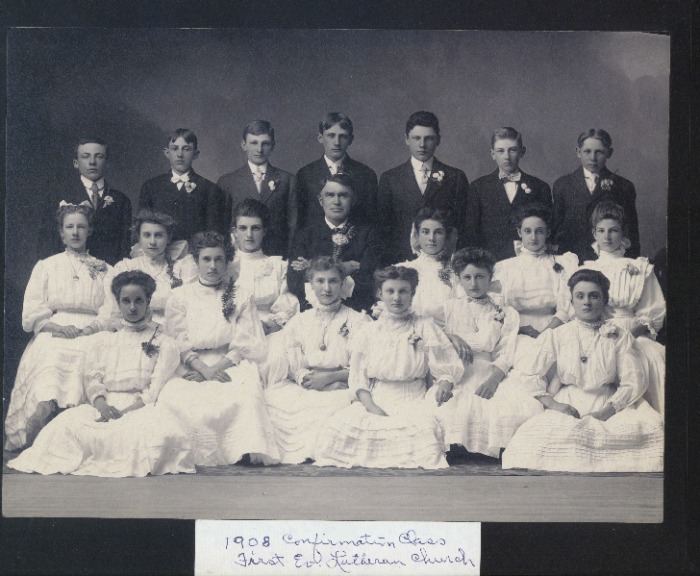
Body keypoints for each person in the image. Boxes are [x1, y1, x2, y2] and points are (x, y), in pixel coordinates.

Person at [8, 271, 195, 477]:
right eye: (126, 301)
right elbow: (93, 380)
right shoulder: (105, 341)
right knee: (66, 425)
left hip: (140, 406)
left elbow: (154, 390)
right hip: (105, 405)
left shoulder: (163, 341)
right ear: (118, 303)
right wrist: (102, 405)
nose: (132, 307)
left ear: (148, 301)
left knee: (148, 435)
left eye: (138, 300)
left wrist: (124, 414)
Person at [502, 269, 664, 472]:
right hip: (569, 401)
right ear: (572, 302)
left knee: (647, 430)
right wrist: (554, 405)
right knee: (545, 435)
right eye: (580, 296)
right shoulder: (557, 335)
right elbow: (529, 374)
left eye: (594, 296)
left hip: (609, 400)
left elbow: (633, 381)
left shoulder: (619, 336)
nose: (586, 302)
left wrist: (607, 411)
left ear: (604, 301)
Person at [313, 266, 464, 469]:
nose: (396, 298)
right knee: (337, 429)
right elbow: (358, 379)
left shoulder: (424, 326)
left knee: (422, 433)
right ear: (380, 294)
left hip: (413, 398)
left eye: (403, 291)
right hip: (377, 397)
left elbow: (446, 364)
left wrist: (445, 382)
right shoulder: (369, 331)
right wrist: (372, 407)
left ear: (412, 294)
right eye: (390, 291)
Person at [157, 231, 280, 466]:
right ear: (196, 260)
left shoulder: (241, 295)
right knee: (175, 397)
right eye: (206, 259)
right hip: (190, 363)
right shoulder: (180, 296)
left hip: (230, 361)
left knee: (244, 395)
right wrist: (202, 368)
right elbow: (177, 339)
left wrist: (217, 368)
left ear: (227, 261)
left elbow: (246, 340)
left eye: (218, 259)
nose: (212, 266)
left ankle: (239, 451)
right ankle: (185, 455)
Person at [5, 204, 111, 451]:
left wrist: (91, 328)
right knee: (52, 354)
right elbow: (33, 308)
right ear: (62, 233)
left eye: (81, 227)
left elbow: (111, 310)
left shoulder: (105, 268)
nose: (75, 232)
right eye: (69, 227)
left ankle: (72, 426)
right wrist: (55, 327)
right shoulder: (47, 266)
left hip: (93, 329)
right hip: (55, 326)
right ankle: (44, 408)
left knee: (89, 354)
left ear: (90, 230)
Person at [434, 248, 543, 458]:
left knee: (508, 408)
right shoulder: (449, 308)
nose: (473, 284)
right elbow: (425, 329)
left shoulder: (505, 312)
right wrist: (452, 338)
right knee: (448, 407)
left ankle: (483, 453)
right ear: (459, 279)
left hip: (489, 371)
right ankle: (457, 450)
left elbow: (507, 350)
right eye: (467, 277)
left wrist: (494, 380)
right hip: (457, 372)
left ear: (490, 277)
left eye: (479, 277)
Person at [264, 256, 371, 464]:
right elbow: (294, 361)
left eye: (333, 281)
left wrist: (331, 378)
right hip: (308, 384)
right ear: (311, 284)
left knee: (329, 414)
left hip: (343, 384)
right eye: (320, 281)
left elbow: (363, 364)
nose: (327, 288)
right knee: (273, 404)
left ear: (342, 284)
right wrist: (306, 378)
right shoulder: (300, 321)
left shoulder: (358, 320)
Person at [582, 201, 666, 416]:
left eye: (613, 230)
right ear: (594, 233)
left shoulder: (638, 268)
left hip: (634, 332)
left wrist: (628, 335)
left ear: (623, 233)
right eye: (601, 231)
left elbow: (652, 311)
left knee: (652, 358)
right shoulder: (587, 268)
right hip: (598, 332)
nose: (607, 237)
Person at [490, 203, 578, 368]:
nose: (533, 237)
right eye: (527, 231)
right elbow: (498, 308)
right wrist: (520, 329)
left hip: (553, 329)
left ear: (547, 233)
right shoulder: (505, 267)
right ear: (519, 233)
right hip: (514, 331)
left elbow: (566, 308)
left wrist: (544, 335)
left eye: (539, 231)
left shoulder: (562, 263)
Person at [378, 111, 469, 265]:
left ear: (438, 140)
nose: (422, 145)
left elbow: (463, 226)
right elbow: (383, 228)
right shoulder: (390, 178)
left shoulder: (455, 177)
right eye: (416, 138)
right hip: (401, 262)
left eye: (429, 138)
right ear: (406, 139)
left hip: (443, 263)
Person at [229, 199, 300, 386]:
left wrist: (271, 324)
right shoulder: (225, 266)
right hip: (234, 330)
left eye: (256, 228)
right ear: (234, 232)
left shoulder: (277, 265)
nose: (249, 235)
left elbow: (287, 301)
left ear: (264, 231)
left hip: (271, 330)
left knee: (274, 359)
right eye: (243, 228)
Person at [287, 173, 380, 312]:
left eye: (343, 195)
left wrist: (311, 267)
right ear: (320, 200)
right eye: (330, 195)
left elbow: (370, 280)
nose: (336, 201)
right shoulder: (306, 235)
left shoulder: (367, 234)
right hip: (313, 310)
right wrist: (344, 269)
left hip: (355, 309)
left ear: (352, 200)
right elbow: (294, 281)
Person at [37, 137, 132, 265]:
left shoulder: (121, 200)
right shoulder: (59, 197)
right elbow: (47, 242)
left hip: (107, 271)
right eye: (85, 156)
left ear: (107, 162)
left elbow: (124, 246)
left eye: (99, 156)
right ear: (76, 163)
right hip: (70, 271)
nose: (92, 162)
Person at [462, 127, 552, 261]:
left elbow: (547, 229)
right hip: (490, 262)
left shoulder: (540, 187)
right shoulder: (478, 187)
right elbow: (471, 232)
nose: (506, 156)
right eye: (500, 151)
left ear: (522, 152)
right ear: (492, 154)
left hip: (528, 260)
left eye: (512, 150)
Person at [552, 129, 640, 262]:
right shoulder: (563, 185)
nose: (592, 158)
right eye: (587, 151)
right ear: (578, 152)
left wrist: (632, 262)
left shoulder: (623, 186)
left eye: (599, 152)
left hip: (609, 258)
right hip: (572, 259)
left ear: (609, 153)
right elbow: (556, 229)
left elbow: (631, 231)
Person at [96, 209, 188, 330]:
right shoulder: (126, 268)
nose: (152, 242)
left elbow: (188, 304)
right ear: (139, 237)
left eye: (159, 235)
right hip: (134, 329)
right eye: (147, 235)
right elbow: (112, 308)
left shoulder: (181, 267)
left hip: (173, 329)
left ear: (169, 238)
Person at [217, 120, 296, 257]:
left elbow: (293, 226)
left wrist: (287, 259)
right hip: (239, 257)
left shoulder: (287, 180)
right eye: (254, 143)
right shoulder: (227, 181)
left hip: (276, 257)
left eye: (265, 143)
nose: (259, 149)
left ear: (272, 146)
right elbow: (221, 227)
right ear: (244, 145)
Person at [138, 128, 228, 241]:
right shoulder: (150, 186)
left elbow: (213, 232)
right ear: (167, 153)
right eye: (174, 149)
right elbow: (141, 228)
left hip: (193, 254)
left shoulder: (209, 189)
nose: (180, 154)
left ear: (195, 154)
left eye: (186, 149)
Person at [295, 112, 378, 231]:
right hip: (316, 245)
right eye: (331, 136)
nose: (337, 143)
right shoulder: (305, 175)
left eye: (343, 136)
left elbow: (371, 222)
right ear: (320, 138)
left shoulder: (366, 174)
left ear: (351, 139)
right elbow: (301, 221)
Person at [398, 207, 460, 321]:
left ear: (446, 236)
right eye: (425, 232)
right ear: (417, 235)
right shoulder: (402, 270)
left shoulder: (457, 273)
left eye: (438, 232)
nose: (431, 238)